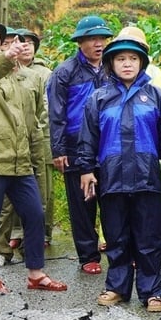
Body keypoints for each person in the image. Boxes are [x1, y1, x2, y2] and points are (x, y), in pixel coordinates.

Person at [0, 16, 67, 295]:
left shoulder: (19, 75)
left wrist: (35, 154)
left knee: (35, 214)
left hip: (21, 161)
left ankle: (36, 272)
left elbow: (32, 118)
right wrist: (6, 58)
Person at [76, 31, 161, 313]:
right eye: (120, 58)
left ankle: (152, 291)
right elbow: (87, 137)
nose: (127, 64)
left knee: (149, 238)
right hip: (112, 178)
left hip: (147, 177)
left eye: (133, 58)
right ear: (111, 63)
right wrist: (86, 169)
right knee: (116, 236)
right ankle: (117, 287)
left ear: (141, 63)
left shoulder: (156, 97)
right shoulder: (99, 98)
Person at [48, 15, 112, 275]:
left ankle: (119, 250)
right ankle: (88, 255)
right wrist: (59, 149)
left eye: (102, 39)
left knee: (112, 200)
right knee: (82, 203)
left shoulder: (111, 67)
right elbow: (56, 113)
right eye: (92, 39)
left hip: (108, 144)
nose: (99, 44)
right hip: (76, 146)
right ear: (80, 42)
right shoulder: (65, 72)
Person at [0, 27, 51, 262]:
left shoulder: (34, 76)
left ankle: (33, 249)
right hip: (5, 146)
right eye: (6, 43)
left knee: (38, 198)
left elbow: (40, 112)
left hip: (33, 142)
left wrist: (38, 141)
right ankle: (1, 249)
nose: (14, 47)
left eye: (16, 42)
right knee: (5, 203)